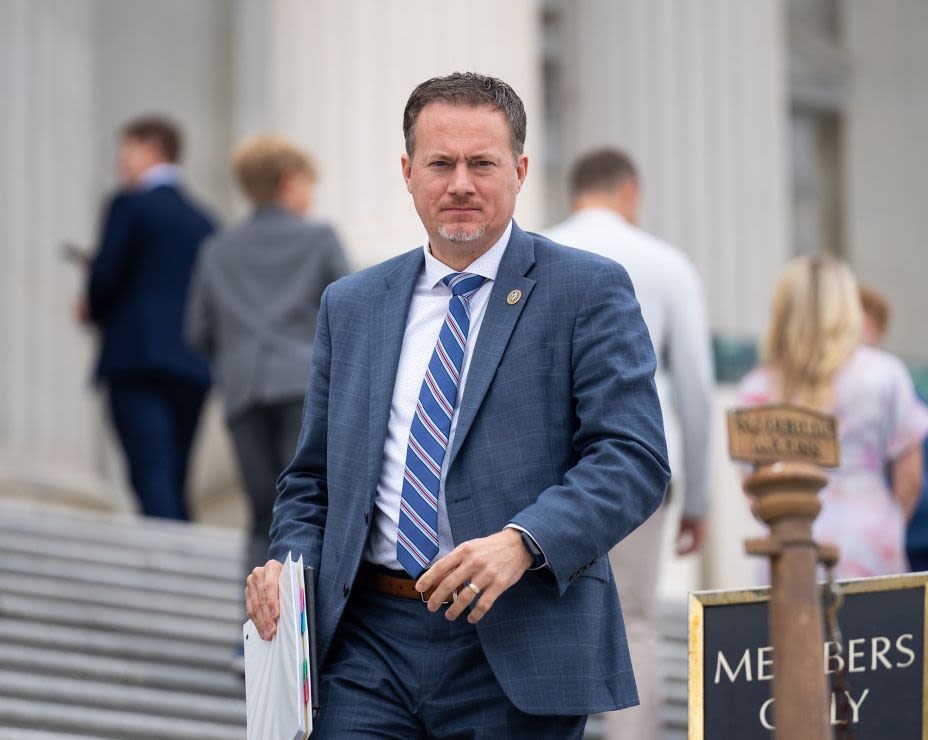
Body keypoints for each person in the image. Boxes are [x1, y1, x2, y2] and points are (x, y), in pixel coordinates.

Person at [245, 73, 669, 737]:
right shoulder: (351, 305)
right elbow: (311, 481)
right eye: (441, 163)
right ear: (409, 172)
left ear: (521, 170)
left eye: (483, 163)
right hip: (367, 643)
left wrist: (523, 542)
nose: (461, 183)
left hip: (516, 637)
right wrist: (286, 568)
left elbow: (634, 457)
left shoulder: (586, 291)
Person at [545, 148, 713, 740]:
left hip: (549, 467)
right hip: (640, 462)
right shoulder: (668, 264)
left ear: (574, 191)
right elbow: (694, 385)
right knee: (636, 620)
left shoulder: (535, 249)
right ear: (630, 192)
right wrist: (698, 499)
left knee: (540, 618)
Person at [186, 134, 349, 584]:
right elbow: (353, 314)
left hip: (243, 393)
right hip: (304, 386)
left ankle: (256, 636)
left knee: (263, 511)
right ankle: (310, 626)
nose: (310, 196)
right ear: (287, 181)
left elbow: (197, 330)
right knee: (313, 502)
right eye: (307, 184)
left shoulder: (216, 249)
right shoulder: (319, 238)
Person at [736, 256, 928, 579]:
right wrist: (890, 520)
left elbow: (753, 490)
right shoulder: (884, 374)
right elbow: (910, 477)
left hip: (787, 541)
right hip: (870, 536)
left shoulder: (755, 389)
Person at [80, 116, 215, 520]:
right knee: (174, 475)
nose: (122, 162)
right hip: (192, 364)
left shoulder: (129, 204)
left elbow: (105, 278)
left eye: (127, 150)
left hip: (136, 357)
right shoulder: (205, 221)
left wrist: (91, 302)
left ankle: (168, 571)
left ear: (153, 147)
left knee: (150, 473)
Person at [859, 285, 928, 740]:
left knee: (906, 646)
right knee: (911, 645)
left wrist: (889, 526)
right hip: (927, 531)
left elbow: (912, 471)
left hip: (909, 535)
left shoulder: (879, 384)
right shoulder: (898, 386)